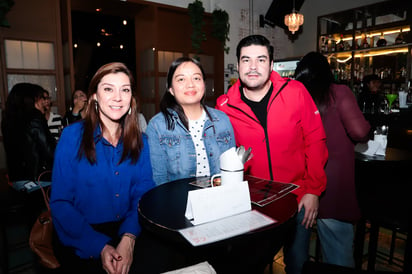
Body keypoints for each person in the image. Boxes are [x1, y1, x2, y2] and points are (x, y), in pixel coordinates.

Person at [216, 35, 328, 274]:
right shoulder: (224, 106)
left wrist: (313, 191)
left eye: (261, 59)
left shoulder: (296, 91)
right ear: (238, 65)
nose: (253, 67)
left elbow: (316, 140)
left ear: (271, 63)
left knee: (297, 265)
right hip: (251, 205)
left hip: (298, 199)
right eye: (246, 60)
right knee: (249, 266)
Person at [49, 62, 155, 274]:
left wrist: (129, 238)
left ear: (131, 98)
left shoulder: (140, 141)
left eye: (125, 90)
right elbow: (60, 203)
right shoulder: (72, 137)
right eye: (108, 89)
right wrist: (99, 246)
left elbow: (143, 195)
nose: (118, 97)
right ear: (95, 96)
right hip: (81, 234)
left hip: (130, 227)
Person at [294, 51, 371, 267]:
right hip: (331, 183)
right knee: (338, 251)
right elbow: (359, 131)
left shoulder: (296, 95)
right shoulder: (338, 92)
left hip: (301, 181)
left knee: (298, 252)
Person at [146, 57, 236, 186]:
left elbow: (232, 170)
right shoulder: (157, 126)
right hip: (179, 203)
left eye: (196, 78)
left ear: (204, 84)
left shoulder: (222, 120)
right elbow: (159, 180)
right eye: (181, 79)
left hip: (219, 200)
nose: (190, 84)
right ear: (171, 89)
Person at [2, 82, 56, 192]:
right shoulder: (35, 117)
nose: (44, 102)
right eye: (41, 97)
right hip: (38, 180)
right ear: (32, 99)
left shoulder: (7, 119)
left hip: (16, 180)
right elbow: (50, 152)